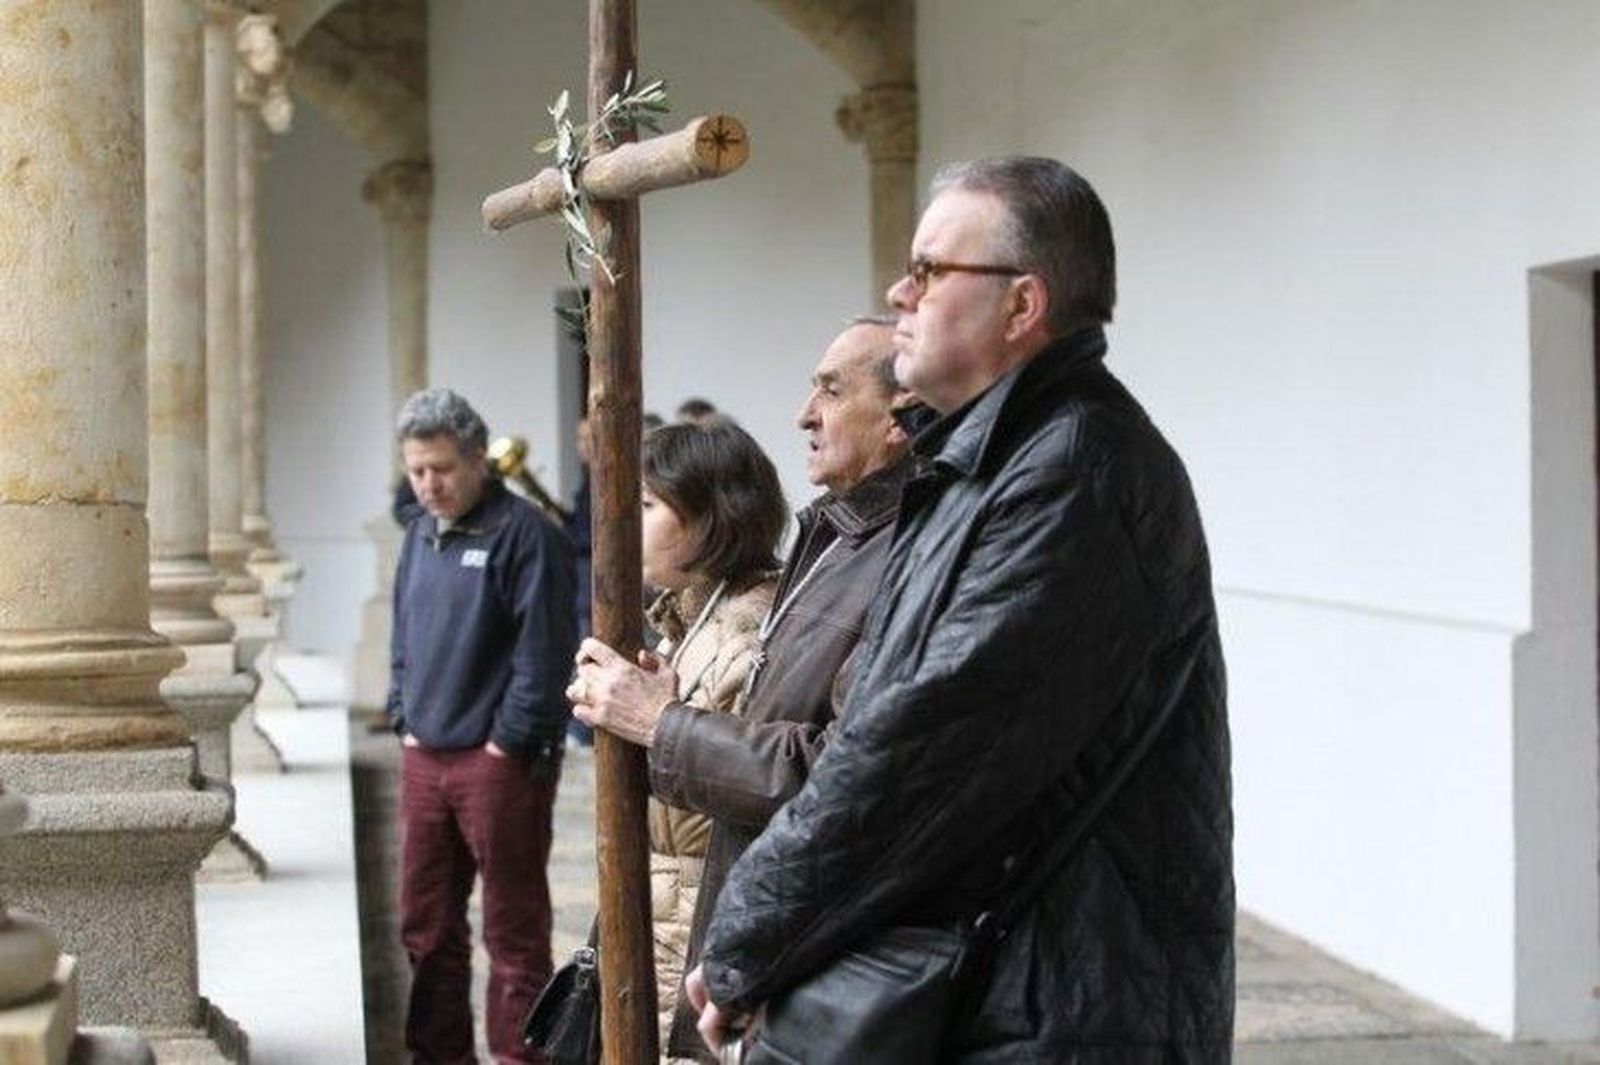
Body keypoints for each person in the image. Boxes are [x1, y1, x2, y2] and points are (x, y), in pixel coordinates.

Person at [687, 157, 1235, 1062]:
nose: (901, 291)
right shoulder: (986, 462)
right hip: (1008, 989)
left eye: (932, 270)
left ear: (1022, 306)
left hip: (1057, 1004)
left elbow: (922, 748)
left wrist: (750, 934)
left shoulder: (1074, 473)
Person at [571, 317, 925, 1061]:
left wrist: (662, 722)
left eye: (831, 389)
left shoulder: (895, 556)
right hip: (707, 919)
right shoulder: (833, 538)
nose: (805, 412)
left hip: (731, 920)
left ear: (898, 418)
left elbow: (834, 772)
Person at [567, 420, 786, 1056]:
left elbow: (738, 784)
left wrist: (653, 724)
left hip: (694, 922)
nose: (620, 520)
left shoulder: (746, 636)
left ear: (714, 514)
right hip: (666, 910)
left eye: (645, 505)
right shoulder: (695, 615)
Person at [386, 387, 577, 1064]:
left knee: (514, 930)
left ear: (477, 461)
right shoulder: (418, 533)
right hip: (425, 756)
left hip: (498, 764)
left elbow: (545, 650)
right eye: (417, 471)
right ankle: (440, 1054)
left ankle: (519, 1057)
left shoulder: (529, 535)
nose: (429, 484)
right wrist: (402, 715)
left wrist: (509, 742)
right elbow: (403, 632)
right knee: (426, 926)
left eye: (441, 468)